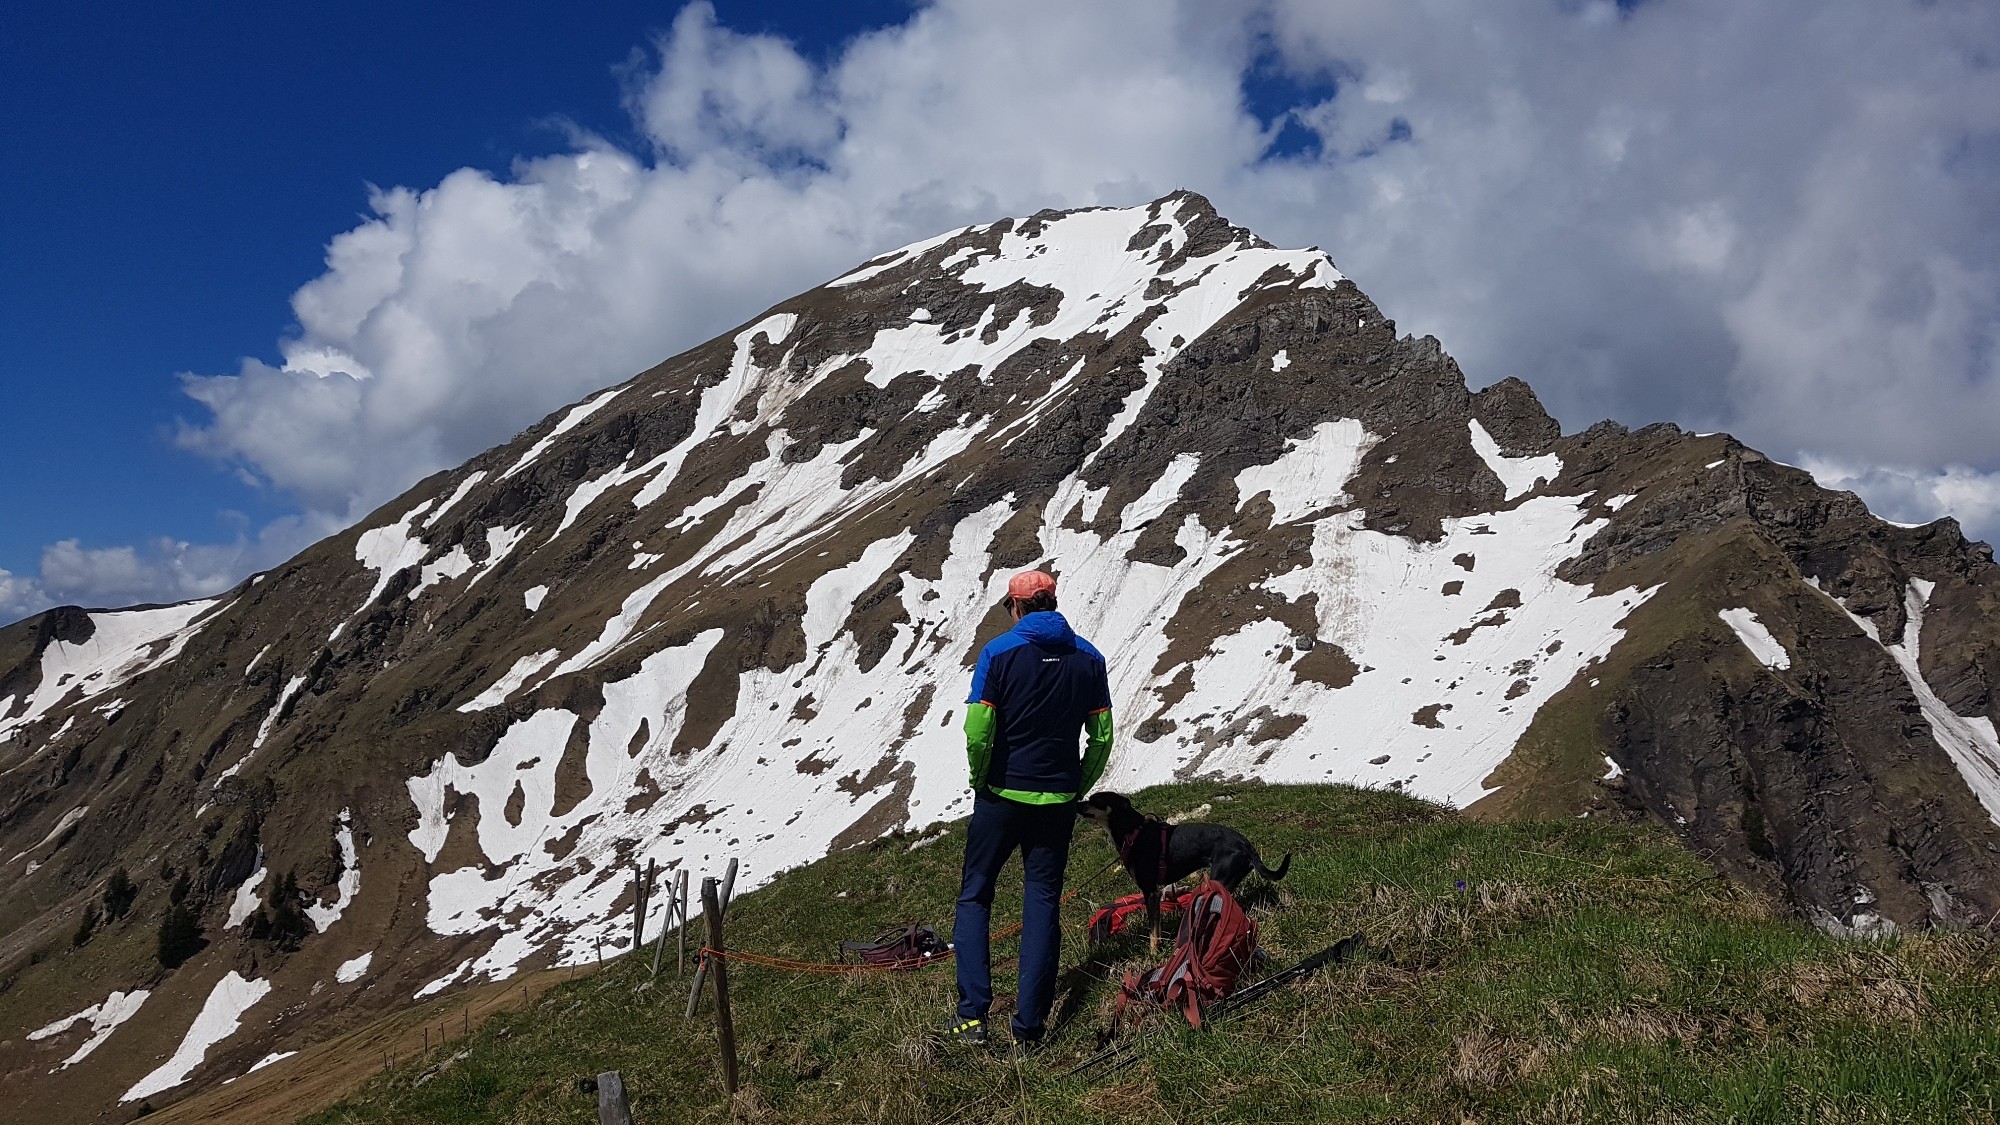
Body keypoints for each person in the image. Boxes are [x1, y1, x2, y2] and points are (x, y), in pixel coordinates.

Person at [940, 568, 1114, 1052]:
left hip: (1001, 795)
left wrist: (982, 779)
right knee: (1042, 904)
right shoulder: (1090, 658)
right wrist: (1075, 784)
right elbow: (1102, 738)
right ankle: (1029, 1029)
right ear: (1052, 602)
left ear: (1016, 607)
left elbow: (978, 729)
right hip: (1056, 801)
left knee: (976, 895)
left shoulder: (998, 653)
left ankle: (972, 1017)